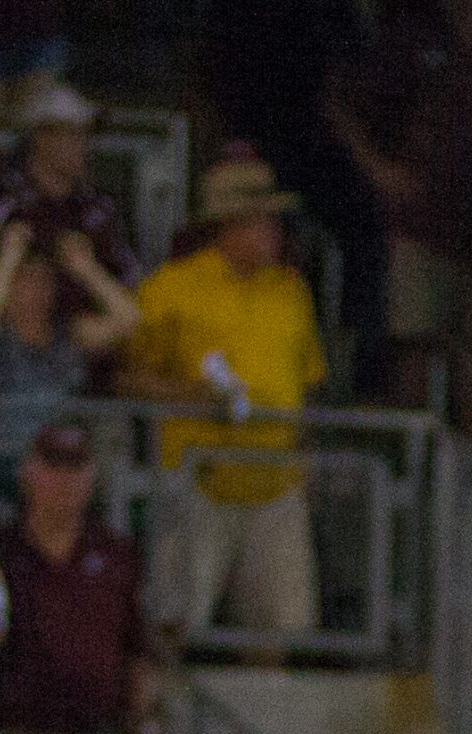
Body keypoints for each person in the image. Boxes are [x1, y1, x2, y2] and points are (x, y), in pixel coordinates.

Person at [126, 153, 327, 639]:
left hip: (277, 488)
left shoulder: (291, 291)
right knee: (173, 626)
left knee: (282, 630)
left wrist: (308, 452)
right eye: (264, 220)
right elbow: (126, 379)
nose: (275, 231)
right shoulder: (172, 288)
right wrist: (190, 394)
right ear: (230, 225)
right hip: (201, 482)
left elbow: (309, 383)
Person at [328, 0, 472, 417]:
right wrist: (380, 170)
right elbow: (343, 106)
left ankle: (462, 472)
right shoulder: (410, 39)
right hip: (422, 231)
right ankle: (414, 464)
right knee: (413, 356)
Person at [0, 420, 153, 734]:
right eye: (52, 466)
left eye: (74, 468)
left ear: (91, 477)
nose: (63, 481)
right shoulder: (1, 551)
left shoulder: (116, 554)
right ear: (29, 473)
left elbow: (135, 648)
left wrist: (140, 723)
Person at [0, 212, 137, 491]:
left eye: (43, 281)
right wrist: (8, 257)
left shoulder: (69, 334)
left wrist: (86, 268)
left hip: (63, 463)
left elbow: (129, 322)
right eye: (25, 281)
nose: (36, 290)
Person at [0, 84, 136, 317]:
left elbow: (129, 280)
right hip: (13, 339)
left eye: (86, 135)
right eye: (72, 134)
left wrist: (87, 270)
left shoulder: (97, 209)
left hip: (84, 335)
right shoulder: (7, 204)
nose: (83, 144)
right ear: (42, 138)